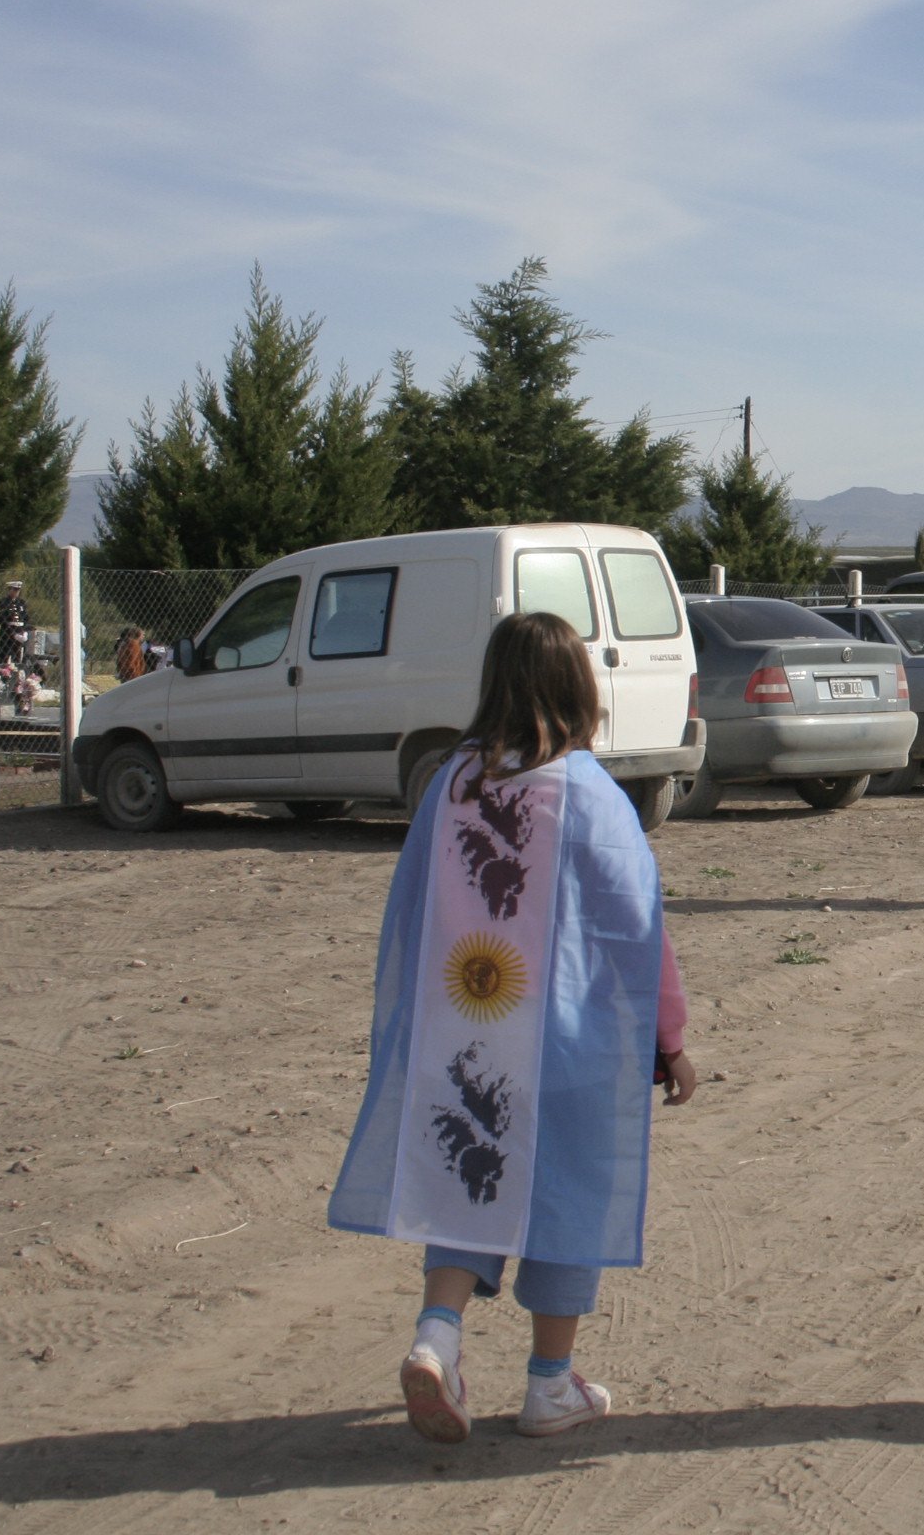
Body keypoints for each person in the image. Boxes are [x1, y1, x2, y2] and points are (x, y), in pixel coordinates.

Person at [329, 612, 700, 1445]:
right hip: (567, 1045)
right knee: (568, 1198)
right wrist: (668, 1037)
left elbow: (413, 908)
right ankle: (549, 1386)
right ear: (580, 689)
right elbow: (636, 931)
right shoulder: (588, 793)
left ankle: (437, 1337)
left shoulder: (450, 784)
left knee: (468, 1175)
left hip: (464, 1031)